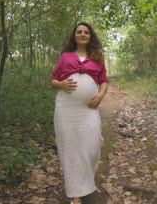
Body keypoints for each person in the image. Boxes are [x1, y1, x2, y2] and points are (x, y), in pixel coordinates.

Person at [51, 22, 109, 204]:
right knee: (71, 147)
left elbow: (103, 80)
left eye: (86, 32)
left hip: (88, 109)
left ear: (90, 36)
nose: (82, 34)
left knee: (92, 145)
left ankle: (85, 180)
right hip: (66, 108)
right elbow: (54, 80)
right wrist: (60, 84)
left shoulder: (97, 57)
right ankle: (76, 193)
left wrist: (100, 95)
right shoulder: (65, 57)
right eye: (79, 32)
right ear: (74, 35)